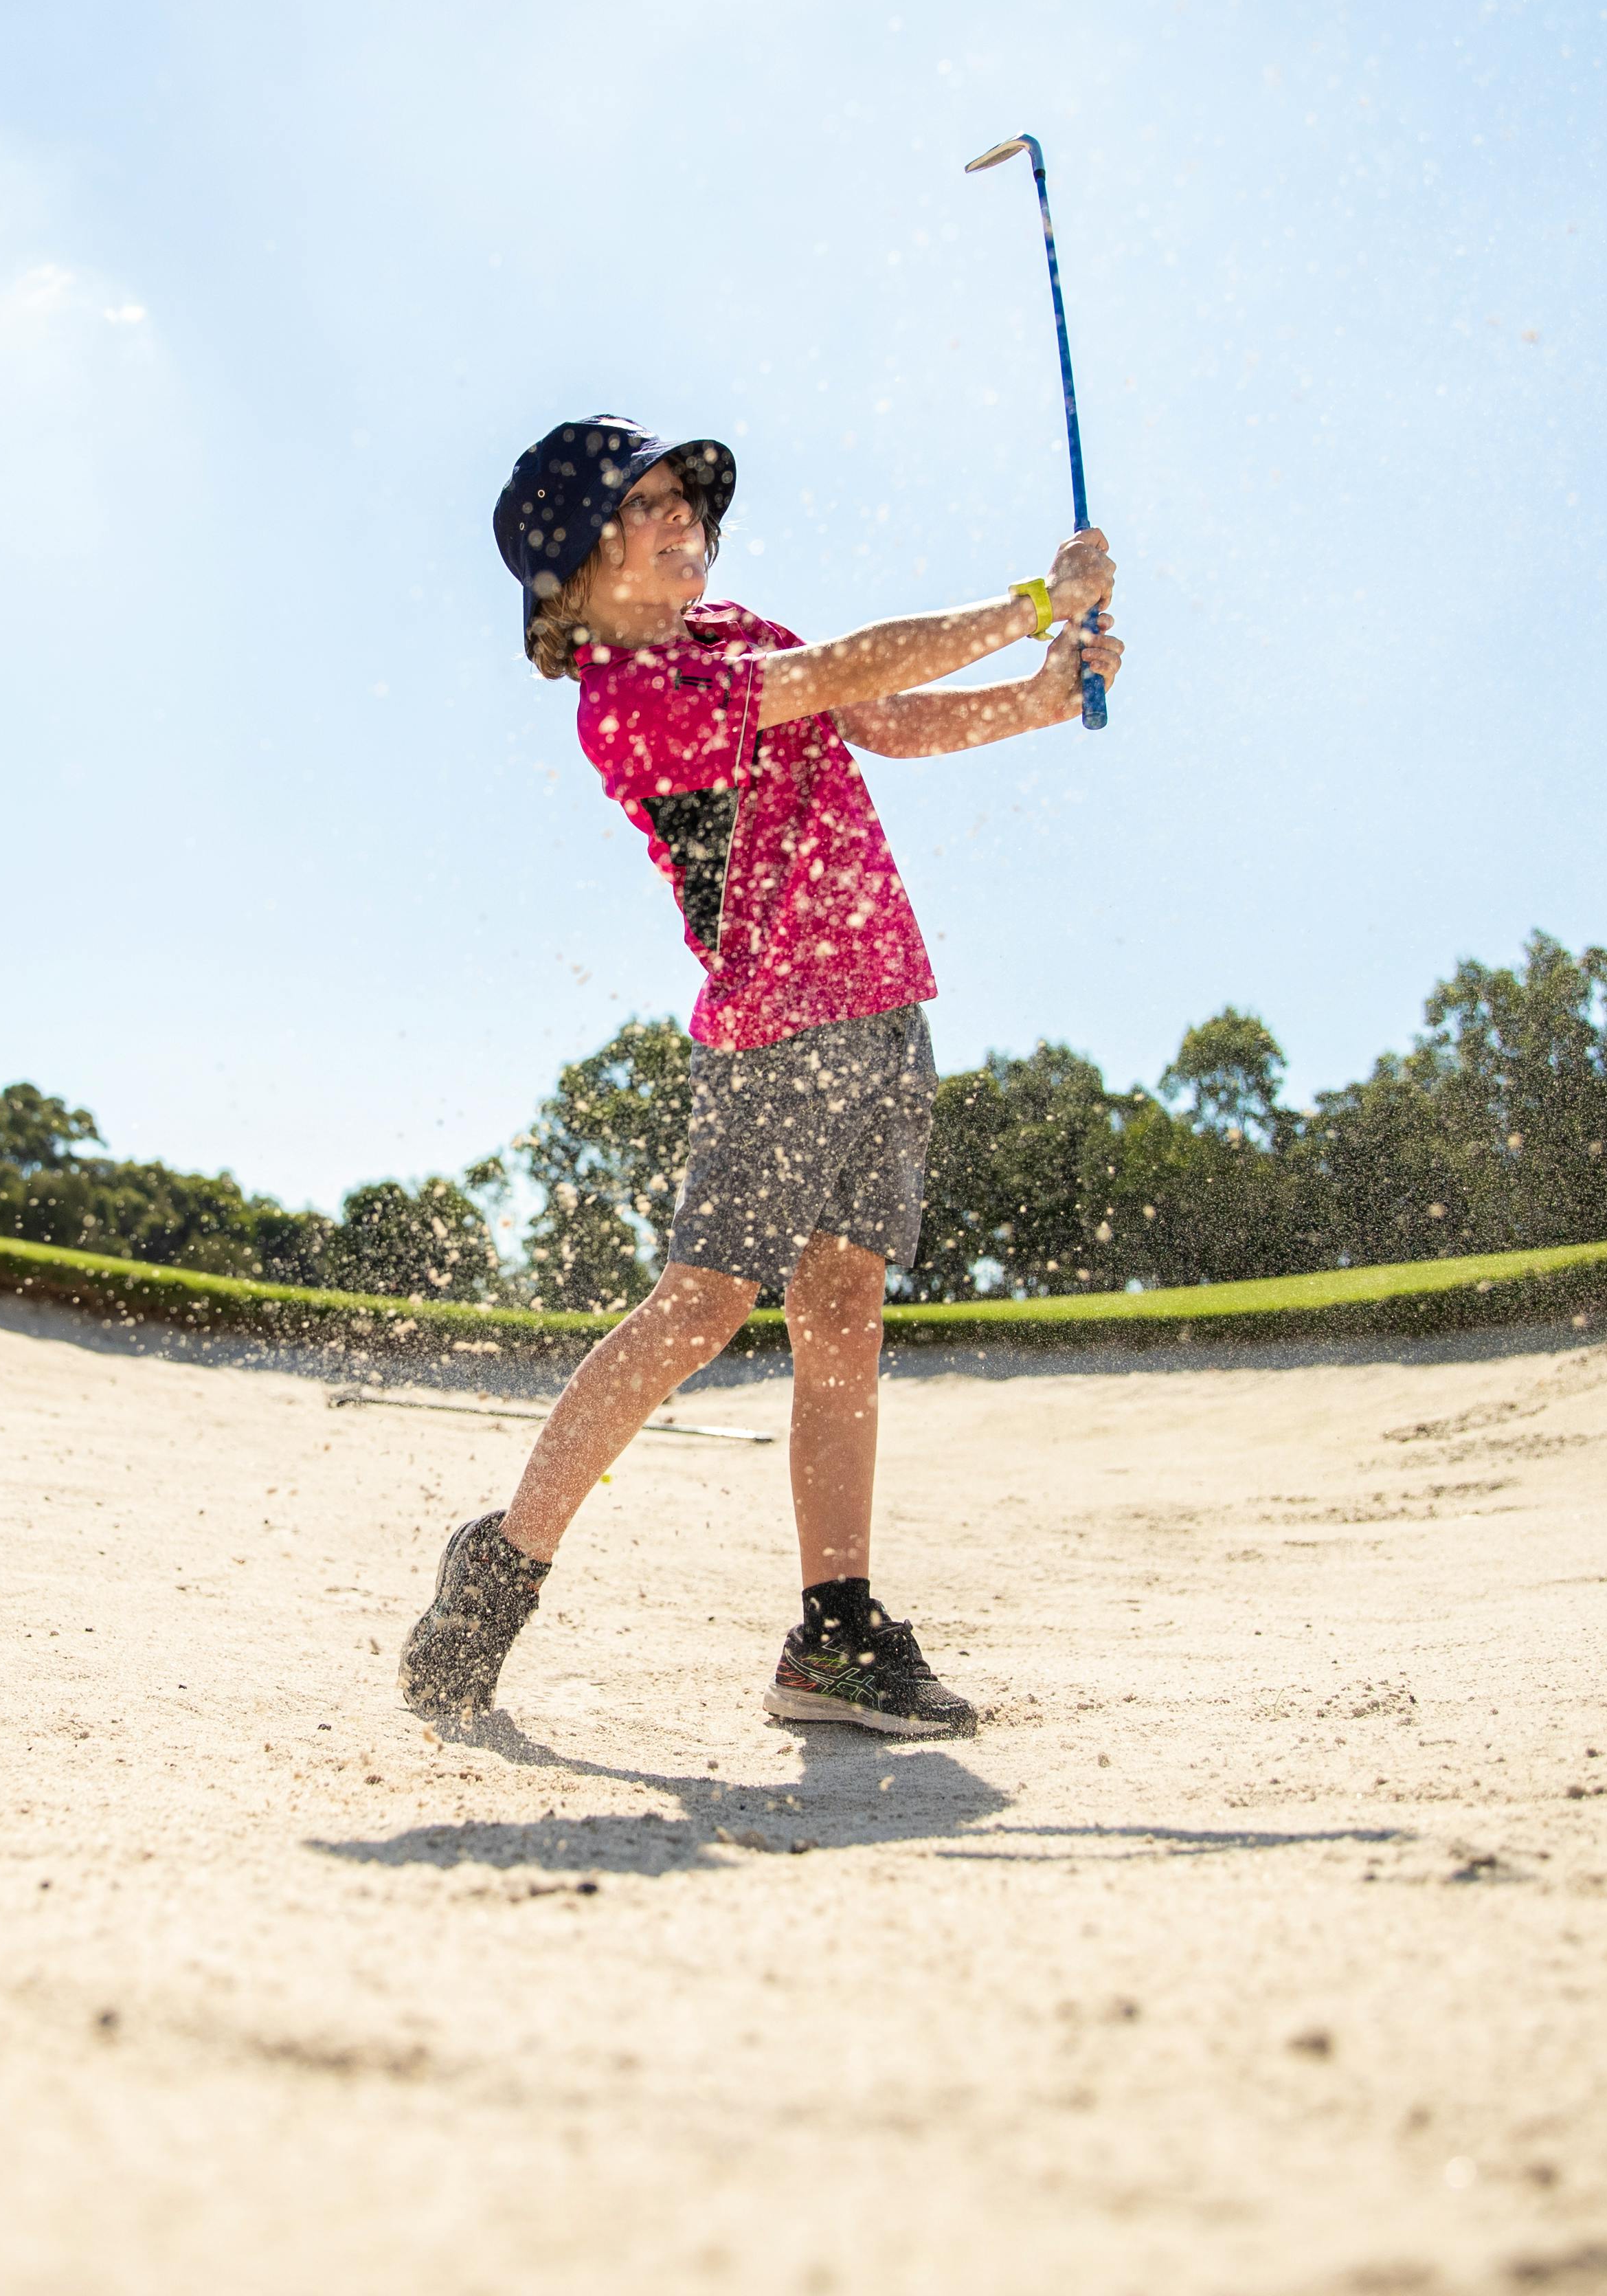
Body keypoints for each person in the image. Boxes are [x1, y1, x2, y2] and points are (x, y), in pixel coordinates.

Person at [402, 417, 1123, 1737]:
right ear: (573, 561)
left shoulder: (734, 629)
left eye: (687, 497)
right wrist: (1034, 603)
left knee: (843, 1304)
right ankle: (500, 1565)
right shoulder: (626, 698)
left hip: (884, 1000)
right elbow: (844, 666)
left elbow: (884, 715)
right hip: (777, 1028)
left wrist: (1037, 692)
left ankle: (833, 1633)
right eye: (645, 505)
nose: (684, 518)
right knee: (701, 1306)